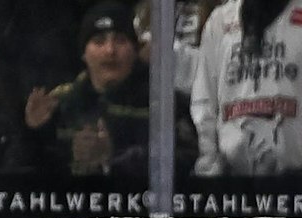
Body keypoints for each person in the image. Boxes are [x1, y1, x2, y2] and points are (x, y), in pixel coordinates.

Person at [23, 2, 196, 177]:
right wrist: (35, 133)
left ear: (135, 50)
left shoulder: (165, 102)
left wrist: (113, 158)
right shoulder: (62, 102)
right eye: (99, 42)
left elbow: (186, 159)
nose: (110, 50)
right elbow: (28, 173)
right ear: (84, 53)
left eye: (120, 40)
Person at [192, 0, 302, 175]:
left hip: (300, 180)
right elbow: (204, 100)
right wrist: (208, 169)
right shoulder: (220, 21)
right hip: (231, 181)